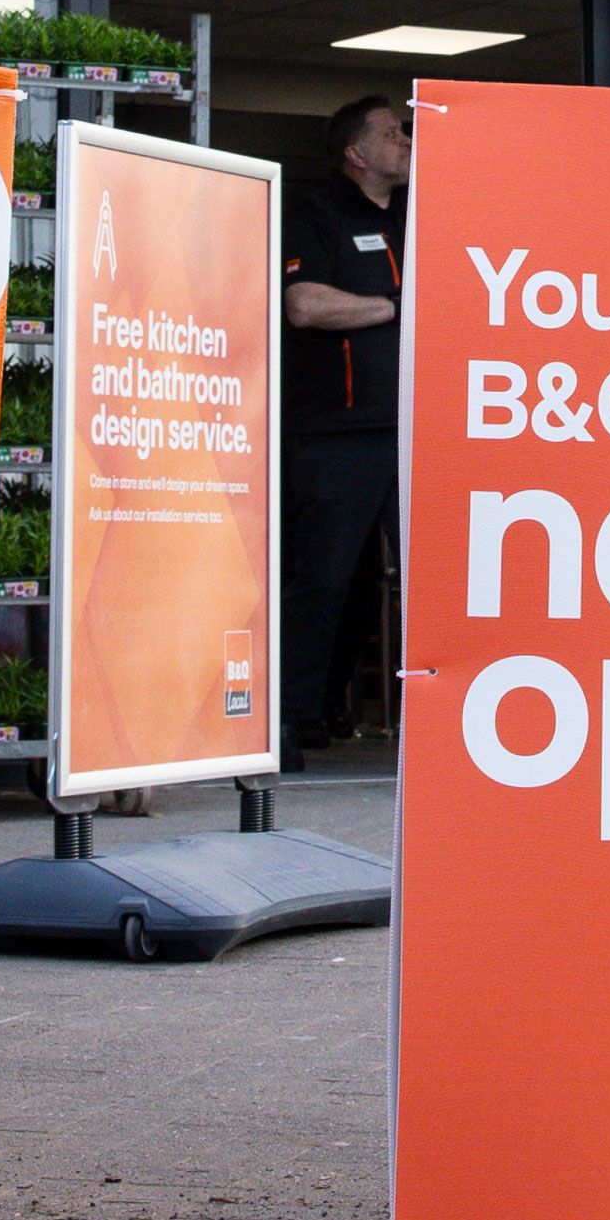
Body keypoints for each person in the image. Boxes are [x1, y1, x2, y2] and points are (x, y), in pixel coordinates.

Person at [277, 90, 411, 764]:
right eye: (393, 133)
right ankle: (285, 720)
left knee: (434, 586)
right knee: (323, 582)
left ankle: (440, 726)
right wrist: (397, 306)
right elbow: (304, 304)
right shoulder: (316, 215)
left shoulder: (422, 215)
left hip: (419, 436)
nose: (407, 142)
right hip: (338, 436)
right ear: (357, 153)